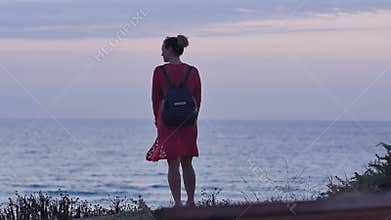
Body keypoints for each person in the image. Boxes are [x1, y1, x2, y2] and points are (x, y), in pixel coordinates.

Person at [148, 35, 201, 207]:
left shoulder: (159, 71)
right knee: (187, 162)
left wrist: (158, 122)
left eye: (163, 49)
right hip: (188, 122)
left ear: (170, 49)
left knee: (173, 163)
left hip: (167, 123)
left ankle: (178, 204)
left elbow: (155, 99)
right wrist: (193, 119)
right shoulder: (193, 71)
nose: (161, 53)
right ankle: (191, 201)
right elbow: (197, 99)